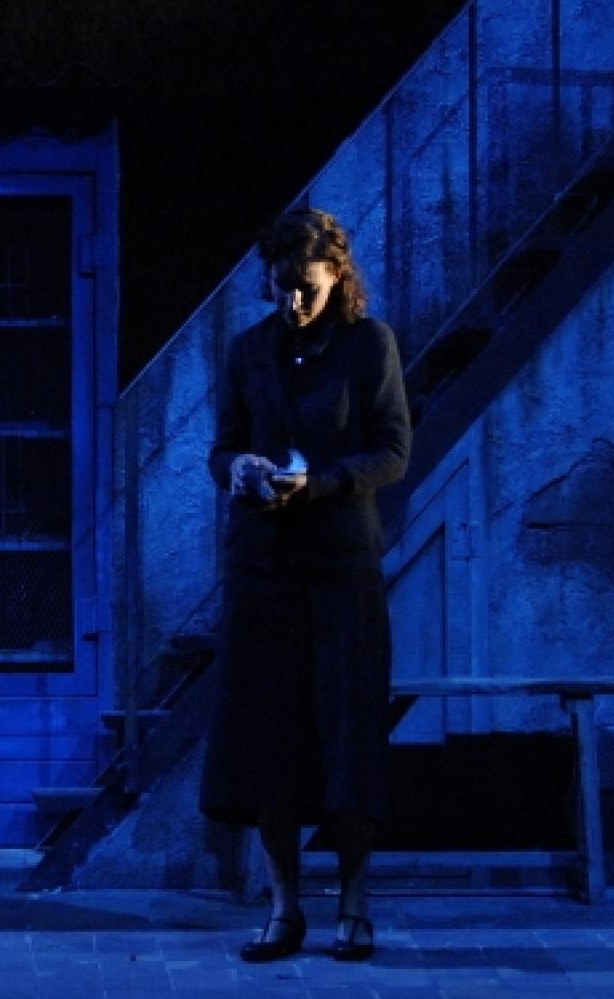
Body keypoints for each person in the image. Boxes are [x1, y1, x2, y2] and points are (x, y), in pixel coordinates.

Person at [199, 208, 411, 962]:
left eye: (308, 287)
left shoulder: (368, 344)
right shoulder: (248, 350)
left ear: (337, 277)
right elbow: (222, 447)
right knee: (268, 740)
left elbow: (392, 451)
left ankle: (353, 906)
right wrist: (239, 468)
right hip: (264, 569)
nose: (294, 302)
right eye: (282, 285)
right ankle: (284, 909)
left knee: (347, 736)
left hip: (340, 568)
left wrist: (318, 482)